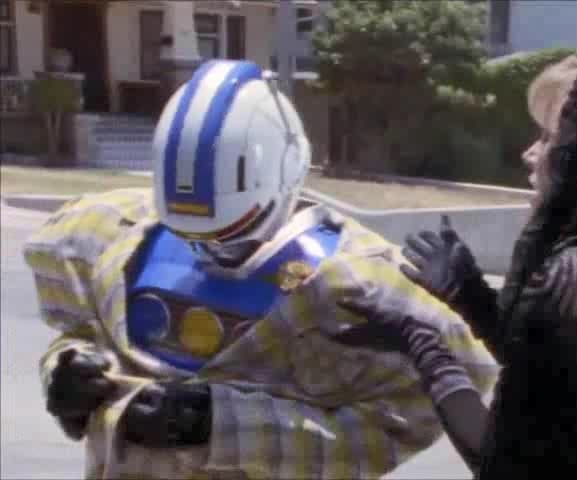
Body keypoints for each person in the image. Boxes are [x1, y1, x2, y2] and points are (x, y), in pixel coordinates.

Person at [24, 60, 498, 479]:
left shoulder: (358, 286)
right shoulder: (113, 236)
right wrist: (65, 372)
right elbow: (81, 332)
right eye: (188, 234)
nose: (210, 250)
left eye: (232, 233)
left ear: (284, 175)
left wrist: (225, 426)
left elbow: (389, 430)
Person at [332, 46, 577, 479]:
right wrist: (471, 297)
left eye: (552, 137)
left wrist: (425, 350)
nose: (530, 153)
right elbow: (561, 390)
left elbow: (507, 460)